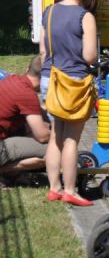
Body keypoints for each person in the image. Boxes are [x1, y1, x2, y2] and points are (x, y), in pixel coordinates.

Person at [39, 0, 99, 206]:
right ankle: (71, 190)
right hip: (73, 82)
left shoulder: (49, 12)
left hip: (49, 78)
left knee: (56, 134)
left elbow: (43, 50)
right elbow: (90, 56)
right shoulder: (86, 17)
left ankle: (54, 187)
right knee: (71, 139)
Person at [0, 56, 50, 189]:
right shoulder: (26, 94)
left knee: (26, 128)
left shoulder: (12, 79)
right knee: (53, 150)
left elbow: (39, 112)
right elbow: (42, 136)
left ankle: (12, 175)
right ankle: (5, 172)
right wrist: (62, 134)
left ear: (27, 69)